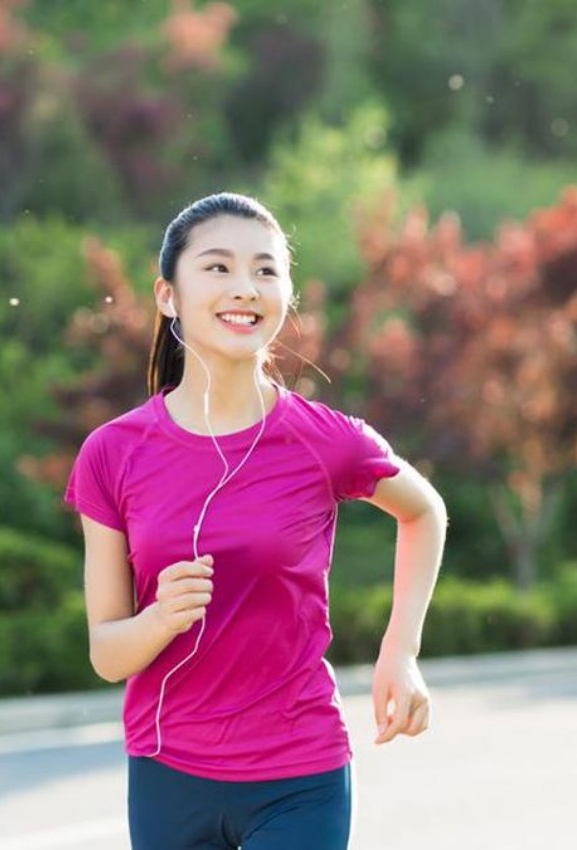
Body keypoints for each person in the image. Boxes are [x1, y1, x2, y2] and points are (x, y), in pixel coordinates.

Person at [65, 193, 445, 849]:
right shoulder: (113, 453)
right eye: (217, 268)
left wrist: (400, 651)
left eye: (266, 271)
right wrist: (158, 619)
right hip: (166, 772)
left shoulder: (326, 441)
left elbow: (424, 511)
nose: (245, 288)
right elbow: (106, 653)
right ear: (167, 296)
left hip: (300, 771)